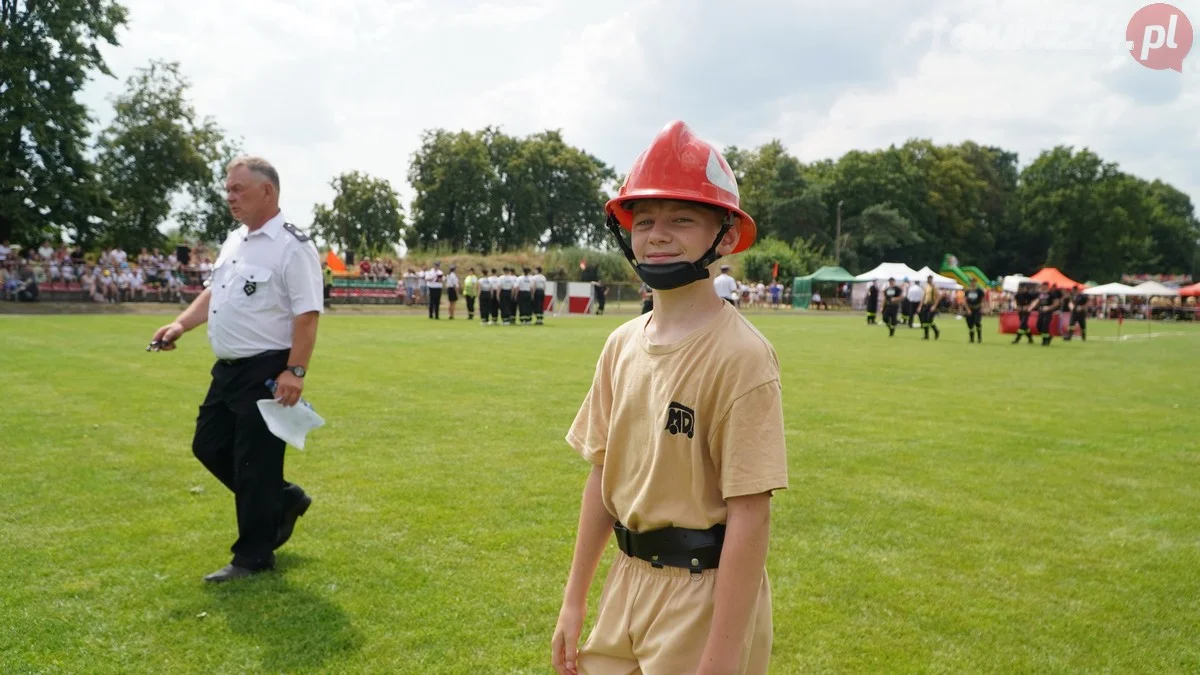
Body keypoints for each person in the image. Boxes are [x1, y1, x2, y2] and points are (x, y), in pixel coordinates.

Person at [552, 121, 786, 675]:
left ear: (725, 236)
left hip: (702, 596)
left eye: (682, 219)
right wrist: (574, 598)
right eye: (645, 220)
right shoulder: (621, 344)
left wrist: (722, 658)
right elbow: (601, 478)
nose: (657, 234)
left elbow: (750, 516)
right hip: (626, 583)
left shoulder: (742, 357)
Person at [148, 156, 322, 583]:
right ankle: (283, 500)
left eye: (239, 188)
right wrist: (180, 324)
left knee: (254, 463)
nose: (230, 196)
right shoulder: (235, 241)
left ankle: (253, 557)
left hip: (266, 367)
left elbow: (307, 315)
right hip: (227, 369)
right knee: (208, 445)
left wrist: (294, 372)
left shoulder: (291, 246)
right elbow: (214, 294)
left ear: (268, 191)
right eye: (228, 189)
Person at [1034, 282, 1058, 346]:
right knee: (1038, 326)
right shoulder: (1040, 294)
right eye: (1042, 286)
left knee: (1045, 326)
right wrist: (1032, 308)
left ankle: (1044, 341)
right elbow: (1038, 301)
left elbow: (1056, 303)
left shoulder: (1052, 294)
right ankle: (1049, 337)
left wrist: (1049, 307)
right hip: (1041, 312)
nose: (1043, 287)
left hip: (1048, 313)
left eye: (1044, 286)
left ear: (1047, 286)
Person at [963, 278, 987, 343]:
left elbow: (983, 300)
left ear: (976, 282)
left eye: (973, 282)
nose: (972, 283)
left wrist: (982, 308)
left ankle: (979, 338)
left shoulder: (979, 291)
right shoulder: (967, 291)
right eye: (971, 282)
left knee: (977, 322)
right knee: (970, 324)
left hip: (977, 309)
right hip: (970, 308)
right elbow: (965, 301)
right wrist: (967, 309)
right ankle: (971, 339)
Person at [918, 275, 941, 340]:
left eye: (930, 279)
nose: (928, 280)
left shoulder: (934, 287)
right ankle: (926, 335)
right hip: (925, 305)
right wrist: (920, 306)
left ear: (932, 279)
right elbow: (923, 297)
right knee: (924, 321)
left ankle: (936, 331)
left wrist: (934, 306)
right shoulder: (926, 287)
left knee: (929, 320)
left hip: (931, 305)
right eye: (928, 279)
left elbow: (938, 297)